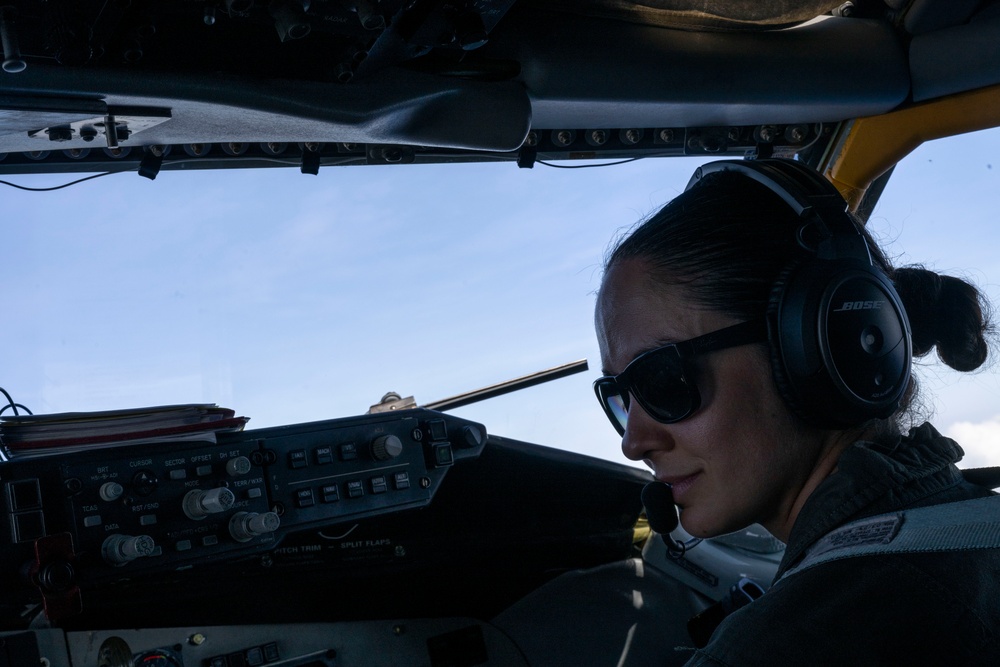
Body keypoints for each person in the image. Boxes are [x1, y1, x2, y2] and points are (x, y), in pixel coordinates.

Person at [593, 158, 1000, 665]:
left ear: (817, 344)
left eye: (661, 380)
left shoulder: (778, 647)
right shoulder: (968, 529)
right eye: (619, 395)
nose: (633, 441)